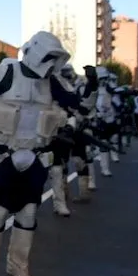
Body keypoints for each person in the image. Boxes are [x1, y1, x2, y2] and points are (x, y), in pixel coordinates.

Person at [0, 31, 76, 276]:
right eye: (48, 56)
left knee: (28, 212)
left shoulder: (52, 83)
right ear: (33, 51)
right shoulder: (6, 73)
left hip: (36, 155)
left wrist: (66, 125)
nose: (50, 63)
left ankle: (18, 266)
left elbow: (75, 105)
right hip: (3, 154)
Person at [59, 65, 99, 205]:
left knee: (79, 160)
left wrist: (93, 81)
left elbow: (89, 98)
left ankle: (84, 193)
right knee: (60, 163)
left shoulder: (79, 87)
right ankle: (62, 194)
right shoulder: (57, 87)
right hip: (62, 129)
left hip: (78, 129)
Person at [94, 67, 120, 177]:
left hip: (110, 117)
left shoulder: (110, 88)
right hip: (98, 118)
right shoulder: (92, 89)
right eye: (101, 78)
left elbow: (116, 94)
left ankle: (114, 154)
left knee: (114, 137)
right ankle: (105, 168)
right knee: (103, 143)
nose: (102, 80)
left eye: (104, 78)